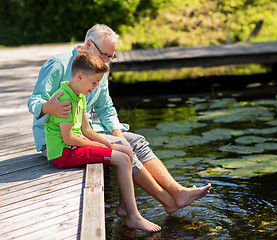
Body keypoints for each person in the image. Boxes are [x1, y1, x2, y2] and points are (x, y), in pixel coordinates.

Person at [28, 23, 211, 216]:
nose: (106, 61)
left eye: (110, 56)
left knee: (135, 140)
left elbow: (105, 107)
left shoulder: (98, 69)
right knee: (124, 150)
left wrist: (117, 134)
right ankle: (166, 201)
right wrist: (47, 107)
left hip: (84, 130)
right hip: (56, 140)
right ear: (89, 44)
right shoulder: (58, 64)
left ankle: (177, 191)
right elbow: (34, 100)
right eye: (104, 54)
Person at [45, 51, 161, 232]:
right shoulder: (64, 98)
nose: (96, 86)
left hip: (74, 145)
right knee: (121, 159)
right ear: (80, 76)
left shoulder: (79, 94)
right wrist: (100, 146)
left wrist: (109, 144)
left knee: (126, 150)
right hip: (64, 153)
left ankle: (124, 206)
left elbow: (87, 130)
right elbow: (69, 138)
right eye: (94, 83)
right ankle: (134, 217)